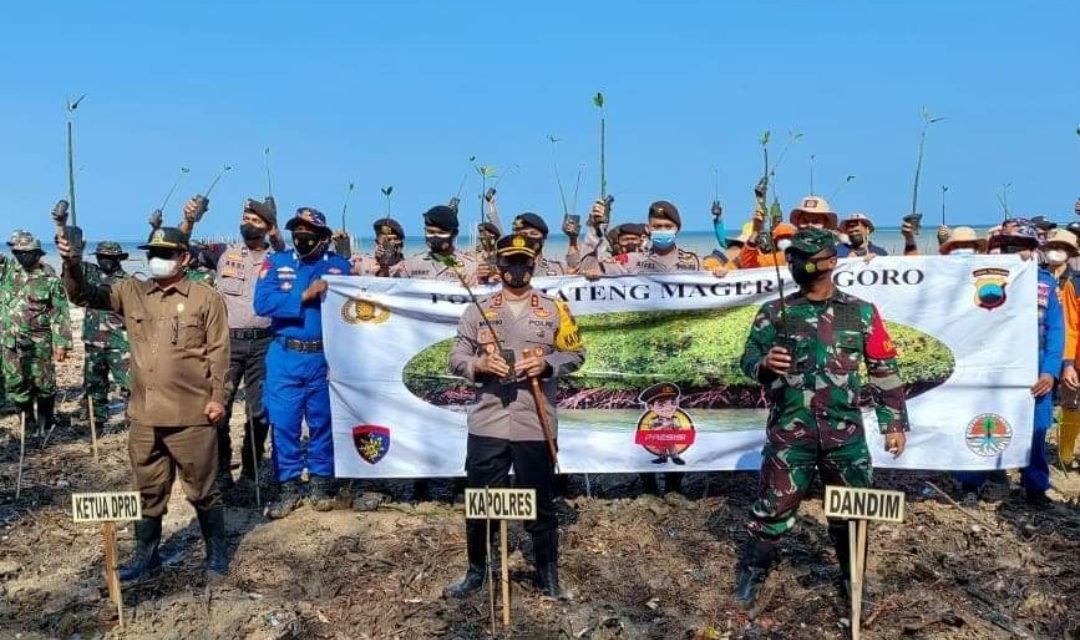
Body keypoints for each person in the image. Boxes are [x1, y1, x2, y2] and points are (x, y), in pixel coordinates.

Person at [734, 227, 910, 612]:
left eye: (804, 257)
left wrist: (893, 424)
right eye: (792, 257)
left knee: (853, 510)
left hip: (844, 435)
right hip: (789, 433)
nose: (796, 264)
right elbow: (747, 361)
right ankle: (752, 573)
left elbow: (884, 369)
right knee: (772, 510)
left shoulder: (860, 312)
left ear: (829, 262)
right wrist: (763, 364)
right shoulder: (775, 311)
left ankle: (855, 581)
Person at [59, 226, 230, 581]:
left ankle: (216, 551)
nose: (157, 260)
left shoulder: (205, 298)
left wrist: (218, 399)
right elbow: (82, 295)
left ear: (184, 258)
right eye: (153, 253)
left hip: (192, 416)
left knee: (203, 491)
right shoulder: (131, 291)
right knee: (147, 490)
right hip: (145, 417)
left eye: (166, 254)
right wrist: (71, 261)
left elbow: (218, 353)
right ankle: (146, 556)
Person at [445, 234, 585, 599]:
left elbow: (577, 354)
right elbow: (456, 356)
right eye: (509, 263)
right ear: (499, 266)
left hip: (534, 422)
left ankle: (547, 575)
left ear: (533, 264)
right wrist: (478, 363)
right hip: (488, 421)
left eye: (523, 262)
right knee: (481, 502)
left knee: (538, 503)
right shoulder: (478, 310)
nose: (517, 269)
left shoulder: (556, 310)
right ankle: (477, 571)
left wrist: (548, 363)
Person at [182, 196, 285, 495]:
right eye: (245, 217)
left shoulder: (278, 258)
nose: (248, 223)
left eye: (256, 220)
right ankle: (223, 470)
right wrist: (189, 220)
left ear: (268, 227)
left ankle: (252, 469)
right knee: (219, 408)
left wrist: (277, 232)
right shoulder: (223, 253)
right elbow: (182, 249)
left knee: (260, 410)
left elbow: (296, 255)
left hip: (265, 344)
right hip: (226, 343)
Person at [254, 207, 352, 519]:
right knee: (284, 424)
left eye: (309, 232)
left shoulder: (340, 267)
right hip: (284, 355)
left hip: (324, 356)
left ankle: (322, 483)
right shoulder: (277, 263)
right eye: (297, 231)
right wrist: (303, 295)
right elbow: (262, 303)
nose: (302, 237)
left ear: (324, 237)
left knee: (322, 422)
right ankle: (289, 485)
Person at [957, 220, 1063, 506]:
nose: (1016, 252)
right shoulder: (979, 278)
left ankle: (1035, 487)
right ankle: (971, 484)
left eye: (1023, 247)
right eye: (1008, 246)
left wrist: (1051, 371)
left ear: (1034, 249)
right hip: (991, 365)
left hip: (1035, 366)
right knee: (981, 423)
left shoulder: (1046, 283)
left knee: (1037, 429)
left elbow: (1056, 330)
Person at [2, 232, 72, 436]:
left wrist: (62, 343)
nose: (22, 257)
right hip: (10, 342)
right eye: (17, 253)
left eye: (27, 253)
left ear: (37, 254)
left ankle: (46, 420)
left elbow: (60, 313)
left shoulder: (49, 280)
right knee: (15, 383)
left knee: (44, 383)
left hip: (39, 342)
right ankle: (27, 421)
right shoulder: (7, 272)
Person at [81, 241, 131, 427]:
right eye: (102, 257)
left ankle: (132, 418)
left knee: (129, 383)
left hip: (119, 341)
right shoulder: (91, 275)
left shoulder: (127, 282)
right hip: (93, 340)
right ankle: (97, 420)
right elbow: (72, 267)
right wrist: (76, 246)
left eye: (110, 258)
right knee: (94, 383)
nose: (106, 261)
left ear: (118, 258)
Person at [1044, 229, 1080, 472]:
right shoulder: (1074, 284)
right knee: (1071, 403)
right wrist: (1068, 363)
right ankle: (1066, 456)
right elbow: (1070, 325)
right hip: (1074, 357)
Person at [396, 205, 478, 281]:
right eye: (430, 232)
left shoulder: (470, 268)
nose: (435, 237)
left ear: (454, 234)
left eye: (441, 233)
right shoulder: (411, 265)